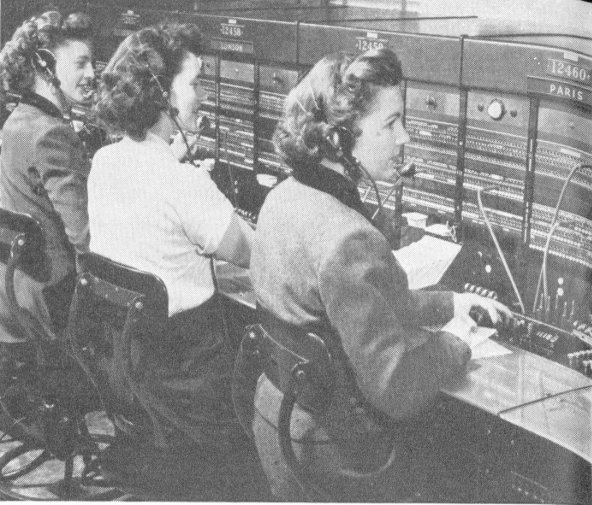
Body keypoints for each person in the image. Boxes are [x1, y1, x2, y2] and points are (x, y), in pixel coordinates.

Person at [247, 48, 513, 501]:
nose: (403, 136)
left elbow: (362, 304)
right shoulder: (349, 237)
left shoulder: (283, 197)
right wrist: (458, 340)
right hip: (339, 452)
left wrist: (449, 303)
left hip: (276, 418)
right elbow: (397, 389)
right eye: (390, 124)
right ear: (339, 138)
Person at [88, 24, 263, 498]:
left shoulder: (105, 162)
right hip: (193, 379)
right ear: (162, 96)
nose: (203, 96)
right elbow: (252, 252)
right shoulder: (184, 184)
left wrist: (174, 160)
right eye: (196, 83)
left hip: (132, 371)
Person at [0, 11, 95, 347]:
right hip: (52, 301)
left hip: (14, 292)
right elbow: (85, 236)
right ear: (44, 65)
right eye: (81, 64)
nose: (92, 73)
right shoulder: (52, 134)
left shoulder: (17, 119)